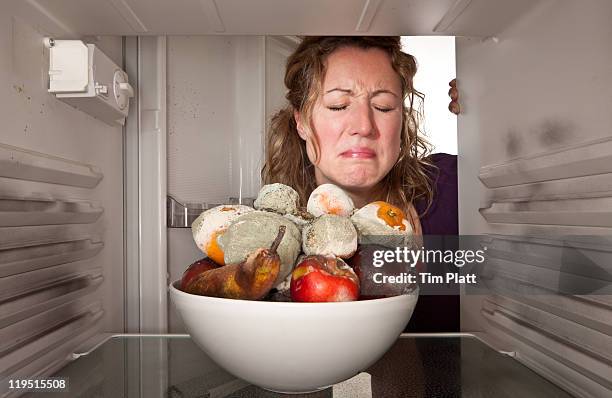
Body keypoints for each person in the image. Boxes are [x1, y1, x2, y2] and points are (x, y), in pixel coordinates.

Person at [262, 36, 459, 331]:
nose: (364, 126)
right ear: (301, 122)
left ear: (402, 119)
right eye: (339, 105)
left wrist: (506, 114)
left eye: (383, 106)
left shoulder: (454, 189)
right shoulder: (275, 246)